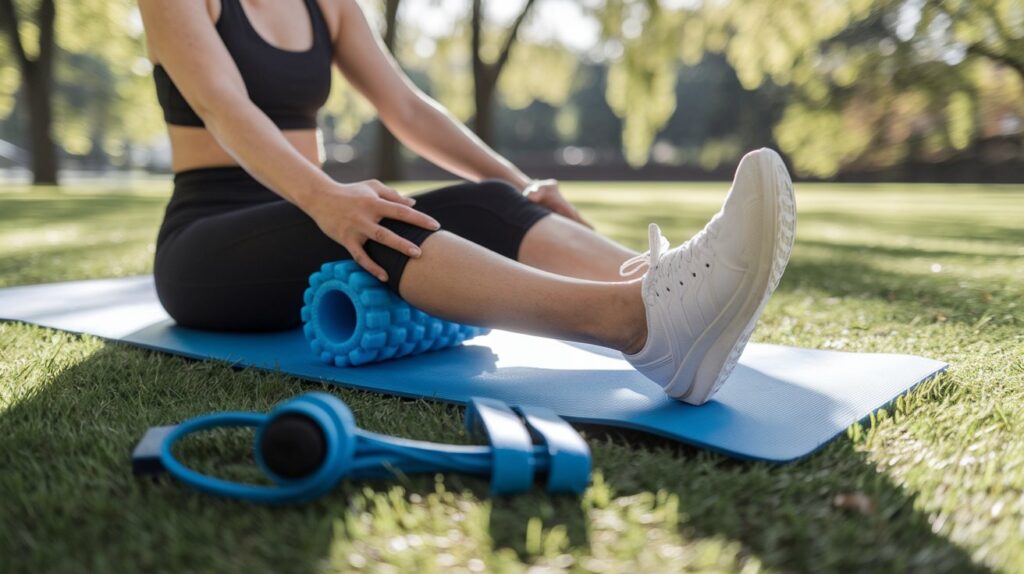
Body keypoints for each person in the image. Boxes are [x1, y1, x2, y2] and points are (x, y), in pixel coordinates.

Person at [138, 0, 795, 406]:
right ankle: (641, 326)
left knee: (485, 200)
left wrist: (524, 186)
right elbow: (221, 106)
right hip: (210, 244)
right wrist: (325, 198)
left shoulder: (324, 2)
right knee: (383, 223)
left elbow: (407, 108)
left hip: (311, 211)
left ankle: (675, 288)